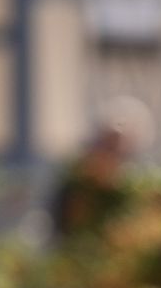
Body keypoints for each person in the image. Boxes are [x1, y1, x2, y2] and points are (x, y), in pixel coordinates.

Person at [48, 96, 153, 242]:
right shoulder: (76, 184)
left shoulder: (138, 188)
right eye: (107, 145)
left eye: (119, 149)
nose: (112, 156)